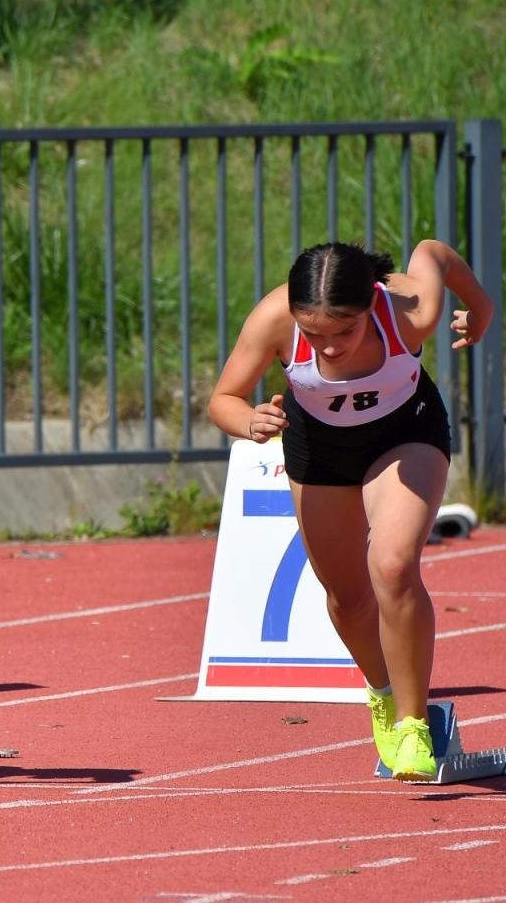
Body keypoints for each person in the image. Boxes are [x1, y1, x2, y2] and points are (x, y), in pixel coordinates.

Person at [207, 239, 491, 781]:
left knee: (393, 565)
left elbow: (434, 252)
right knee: (346, 596)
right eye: (314, 335)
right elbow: (224, 399)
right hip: (320, 449)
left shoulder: (410, 310)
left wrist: (481, 309)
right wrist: (249, 422)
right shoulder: (273, 318)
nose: (331, 347)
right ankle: (382, 693)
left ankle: (413, 724)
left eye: (346, 331)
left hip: (405, 435)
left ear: (371, 304)